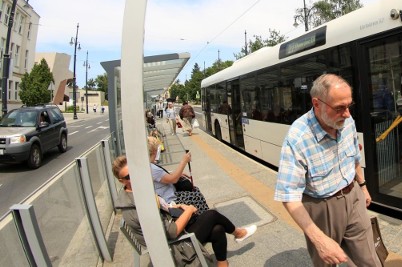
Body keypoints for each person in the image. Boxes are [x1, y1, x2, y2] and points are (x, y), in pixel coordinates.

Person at [274, 74, 381, 267]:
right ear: (317, 103)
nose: (347, 114)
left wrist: (362, 186)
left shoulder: (347, 121)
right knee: (327, 262)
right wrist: (319, 240)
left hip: (353, 194)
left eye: (349, 105)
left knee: (370, 259)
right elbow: (288, 195)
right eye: (339, 108)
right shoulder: (297, 139)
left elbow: (354, 157)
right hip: (321, 206)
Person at [112, 155, 256, 267]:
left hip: (170, 236)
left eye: (136, 172)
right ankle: (238, 233)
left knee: (217, 228)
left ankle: (223, 262)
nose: (136, 177)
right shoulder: (139, 205)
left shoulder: (135, 195)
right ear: (121, 181)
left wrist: (178, 206)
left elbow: (164, 214)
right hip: (173, 248)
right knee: (211, 215)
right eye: (129, 176)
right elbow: (173, 232)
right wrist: (189, 210)